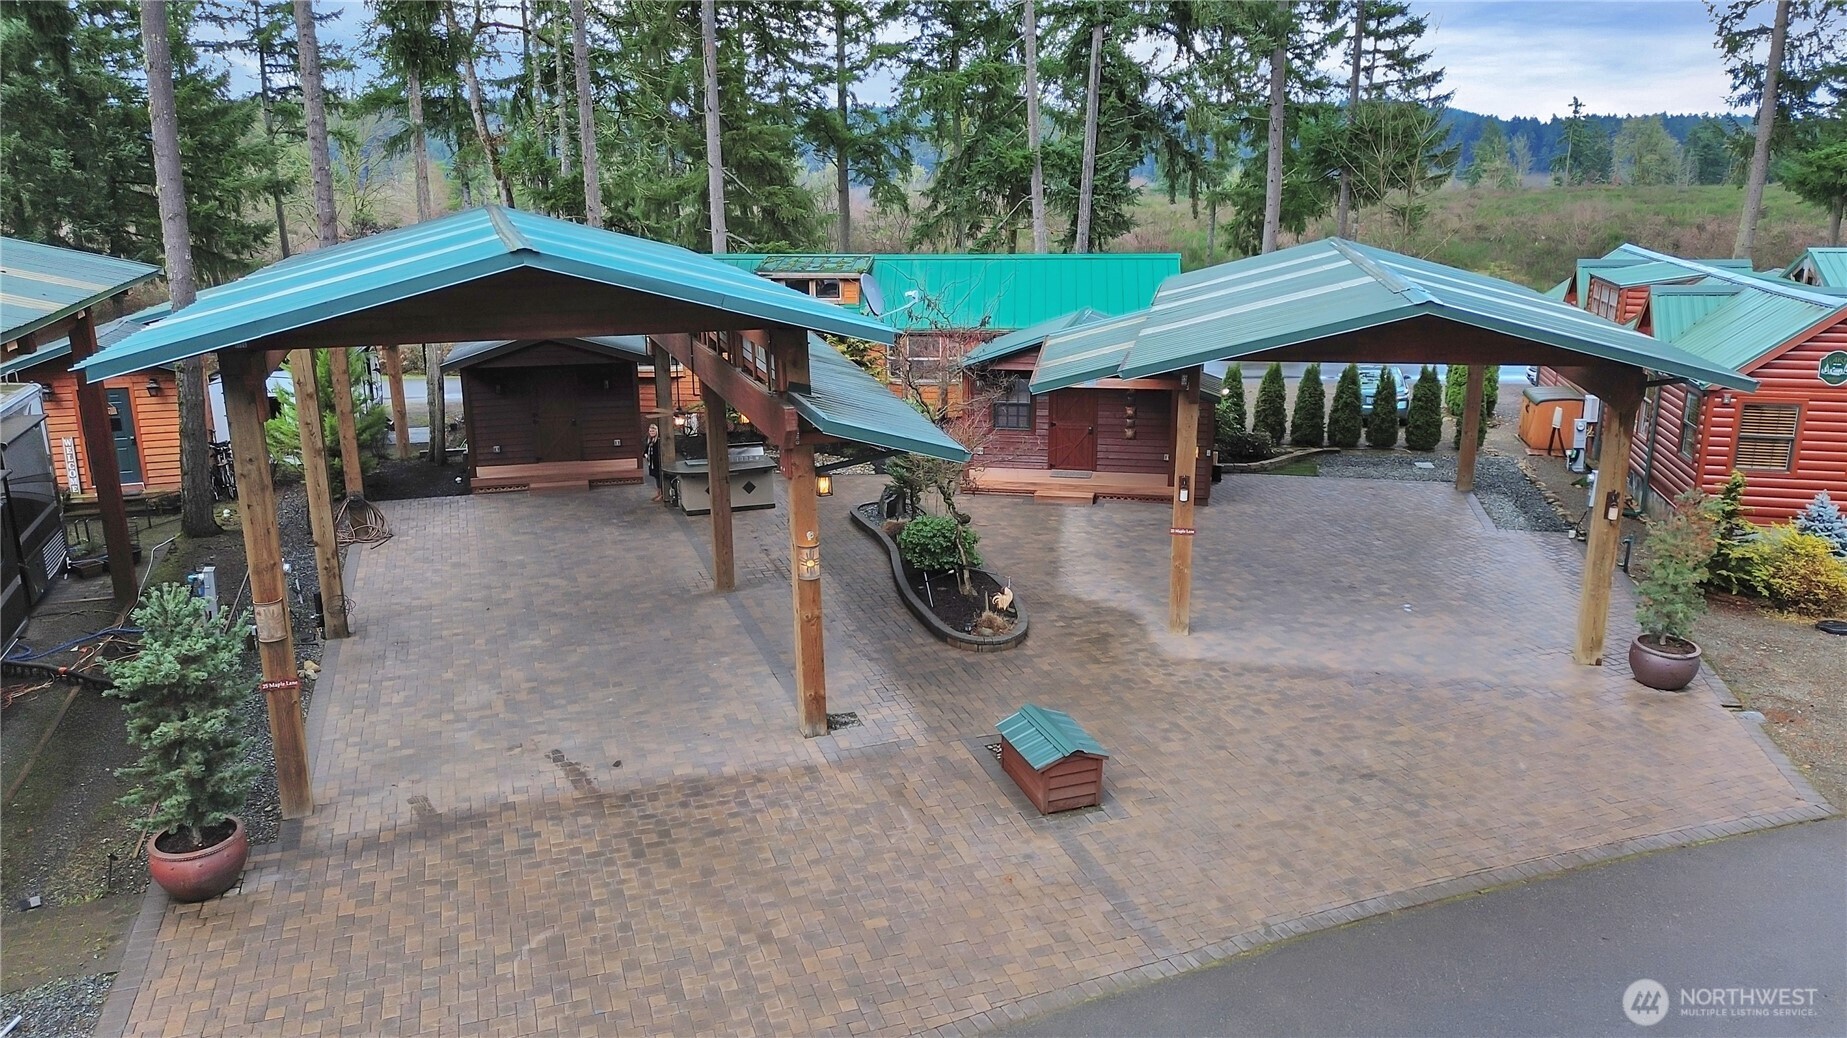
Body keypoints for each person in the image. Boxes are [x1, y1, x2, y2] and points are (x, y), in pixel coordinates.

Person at [646, 424, 663, 502]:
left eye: (653, 431)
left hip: (657, 463)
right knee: (656, 478)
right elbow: (645, 451)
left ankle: (662, 494)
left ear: (656, 431)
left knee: (659, 477)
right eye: (650, 431)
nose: (651, 432)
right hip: (651, 462)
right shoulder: (649, 441)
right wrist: (646, 455)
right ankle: (658, 493)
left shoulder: (658, 441)